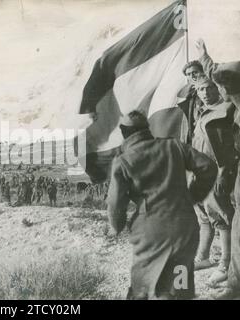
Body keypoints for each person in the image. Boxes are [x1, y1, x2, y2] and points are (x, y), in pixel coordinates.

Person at [107, 110, 217, 300]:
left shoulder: (123, 161)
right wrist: (192, 196)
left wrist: (116, 226)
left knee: (143, 287)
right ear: (146, 129)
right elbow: (207, 166)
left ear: (124, 133)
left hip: (151, 233)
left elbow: (116, 203)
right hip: (184, 228)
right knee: (179, 287)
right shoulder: (174, 146)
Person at [196, 39, 240, 299]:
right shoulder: (234, 101)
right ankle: (234, 285)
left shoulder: (234, 102)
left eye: (222, 87)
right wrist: (205, 57)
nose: (219, 90)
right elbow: (218, 72)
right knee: (237, 229)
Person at [188, 77, 236, 286]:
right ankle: (203, 257)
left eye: (209, 88)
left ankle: (226, 264)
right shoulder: (201, 111)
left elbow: (230, 146)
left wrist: (224, 172)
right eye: (201, 89)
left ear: (217, 88)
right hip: (200, 172)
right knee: (204, 216)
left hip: (217, 172)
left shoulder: (226, 109)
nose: (205, 92)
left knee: (222, 218)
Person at [178, 61, 206, 145]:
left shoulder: (211, 92)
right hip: (192, 143)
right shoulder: (189, 97)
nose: (192, 76)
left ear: (203, 72)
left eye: (195, 72)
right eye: (189, 74)